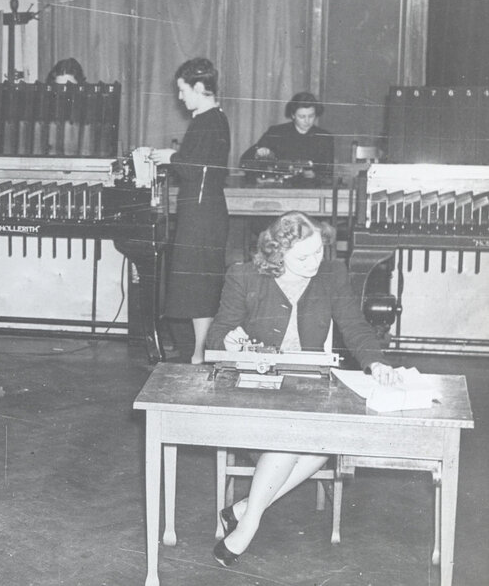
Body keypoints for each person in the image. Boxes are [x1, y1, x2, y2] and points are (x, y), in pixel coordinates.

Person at [205, 211, 399, 567]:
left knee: (321, 442)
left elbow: (353, 325)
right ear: (278, 254)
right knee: (299, 438)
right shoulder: (244, 276)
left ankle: (248, 511)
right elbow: (216, 334)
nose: (314, 263)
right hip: (257, 391)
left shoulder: (331, 274)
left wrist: (376, 362)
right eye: (302, 257)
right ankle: (247, 525)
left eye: (318, 252)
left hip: (307, 389)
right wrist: (229, 340)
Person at [142, 57, 230, 364]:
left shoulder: (211, 121)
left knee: (200, 285)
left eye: (183, 90)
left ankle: (200, 353)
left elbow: (201, 170)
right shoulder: (207, 120)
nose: (180, 97)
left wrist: (171, 157)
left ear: (199, 87)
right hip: (200, 213)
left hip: (204, 216)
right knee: (196, 285)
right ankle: (198, 351)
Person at [239, 92, 335, 183]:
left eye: (311, 116)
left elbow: (328, 173)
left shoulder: (325, 138)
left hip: (311, 190)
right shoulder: (276, 132)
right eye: (302, 117)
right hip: (278, 189)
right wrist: (258, 152)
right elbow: (244, 161)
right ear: (293, 115)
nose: (307, 121)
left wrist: (315, 175)